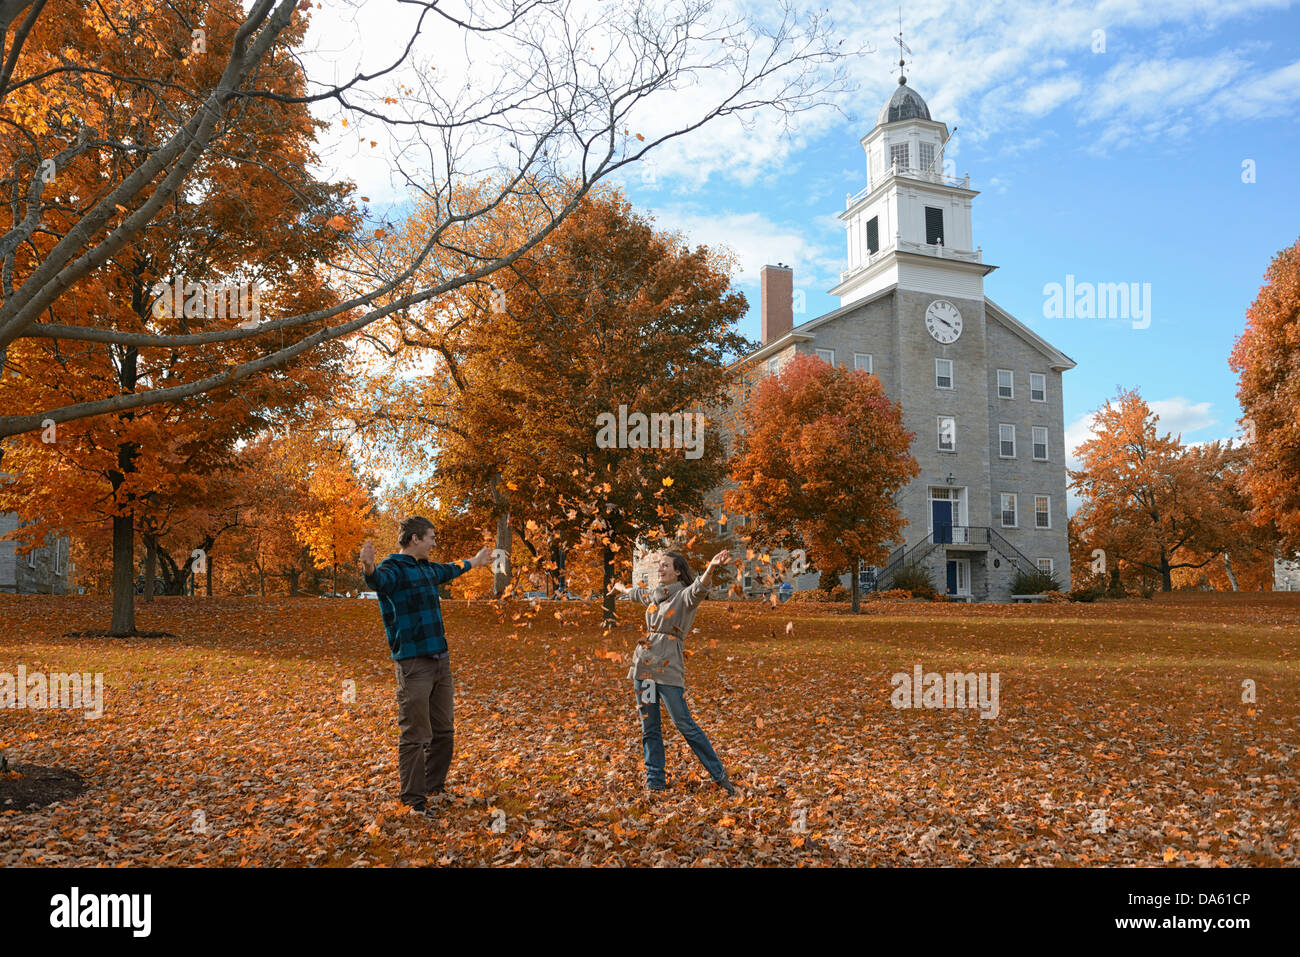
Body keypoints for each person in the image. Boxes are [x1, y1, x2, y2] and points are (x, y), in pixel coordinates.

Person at [360, 516, 493, 816]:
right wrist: (368, 567)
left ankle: (434, 787)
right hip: (413, 663)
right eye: (431, 537)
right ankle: (414, 801)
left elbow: (449, 570)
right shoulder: (394, 568)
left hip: (439, 660)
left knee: (444, 731)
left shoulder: (426, 568)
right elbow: (378, 581)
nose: (434, 543)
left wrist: (474, 561)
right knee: (415, 734)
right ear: (415, 539)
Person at [609, 549, 736, 797]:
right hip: (644, 667)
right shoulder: (655, 596)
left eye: (666, 565)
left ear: (677, 571)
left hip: (668, 667)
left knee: (683, 723)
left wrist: (711, 566)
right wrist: (619, 588)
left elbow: (700, 587)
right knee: (649, 726)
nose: (661, 569)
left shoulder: (684, 597)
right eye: (660, 565)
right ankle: (654, 780)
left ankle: (719, 775)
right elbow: (635, 593)